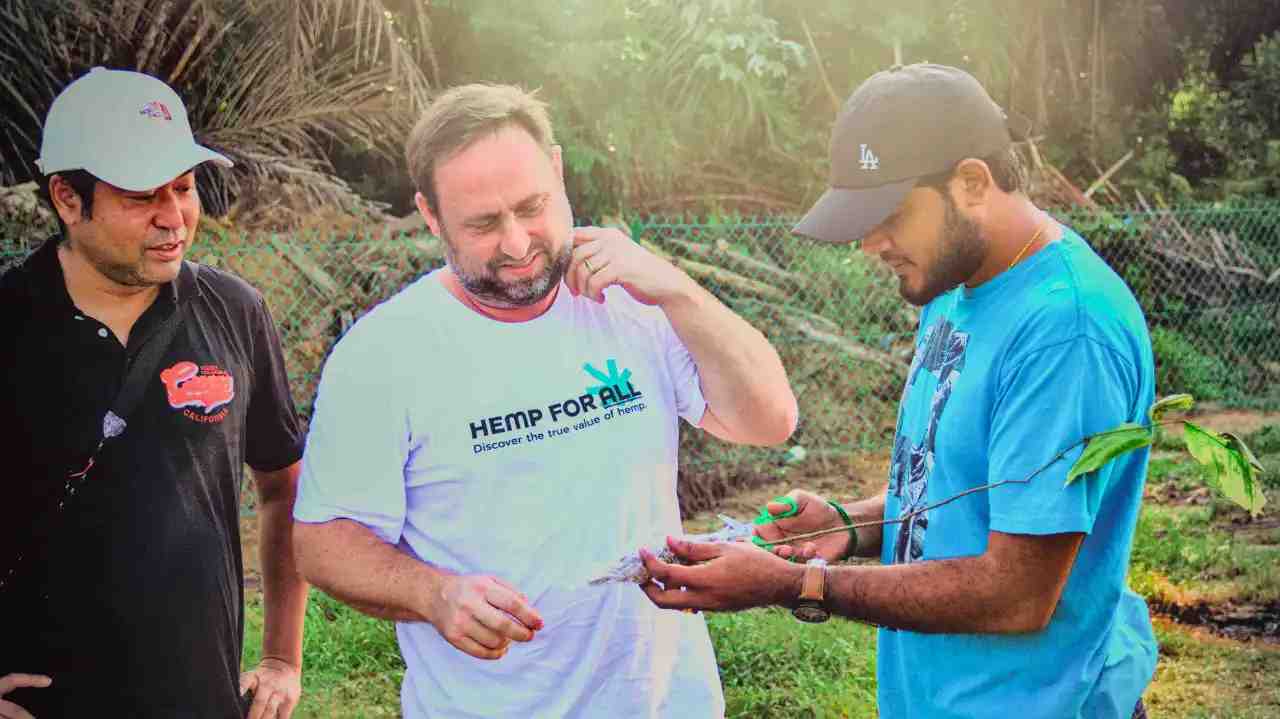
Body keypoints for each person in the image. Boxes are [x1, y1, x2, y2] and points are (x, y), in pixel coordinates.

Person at [639, 63, 1158, 719]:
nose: (869, 243)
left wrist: (799, 583)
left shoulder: (1065, 331)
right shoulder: (955, 285)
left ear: (972, 183)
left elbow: (1017, 591)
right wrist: (850, 524)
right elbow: (963, 491)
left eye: (889, 214)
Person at [291, 83, 798, 718]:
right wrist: (432, 593)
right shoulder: (383, 355)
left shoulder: (633, 300)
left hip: (669, 700)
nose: (516, 243)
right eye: (482, 223)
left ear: (557, 170)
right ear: (429, 214)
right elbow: (322, 540)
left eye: (532, 206)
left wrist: (678, 292)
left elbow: (770, 420)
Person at [0, 67, 309, 718]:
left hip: (203, 700)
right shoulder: (12, 321)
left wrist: (282, 655)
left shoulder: (234, 309)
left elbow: (284, 484)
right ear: (66, 198)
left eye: (185, 187)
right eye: (143, 195)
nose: (174, 218)